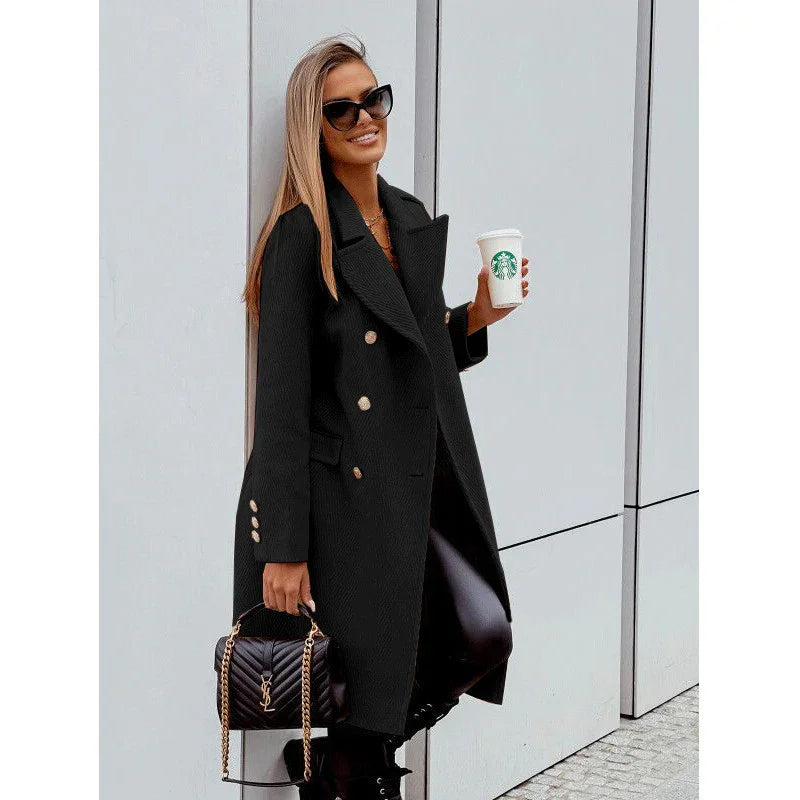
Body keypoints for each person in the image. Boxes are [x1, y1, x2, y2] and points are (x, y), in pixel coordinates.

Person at [232, 33, 531, 800]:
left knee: (479, 633)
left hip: (418, 482)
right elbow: (281, 407)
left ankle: (341, 767)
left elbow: (417, 353)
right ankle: (351, 773)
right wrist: (283, 548)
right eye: (342, 109)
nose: (366, 117)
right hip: (344, 505)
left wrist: (481, 315)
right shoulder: (303, 234)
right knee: (364, 691)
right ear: (315, 126)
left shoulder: (406, 213)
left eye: (376, 99)